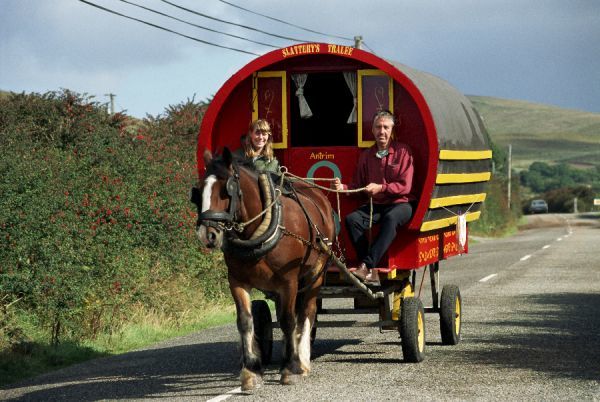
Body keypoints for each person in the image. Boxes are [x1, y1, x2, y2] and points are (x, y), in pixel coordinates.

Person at [334, 110, 415, 284]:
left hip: (401, 203)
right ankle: (369, 268)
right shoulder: (366, 156)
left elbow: (405, 186)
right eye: (378, 127)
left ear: (392, 130)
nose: (382, 131)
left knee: (391, 217)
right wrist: (344, 188)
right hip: (376, 204)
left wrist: (381, 188)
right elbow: (359, 186)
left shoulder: (403, 152)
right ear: (372, 130)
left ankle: (366, 265)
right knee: (351, 219)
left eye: (386, 127)